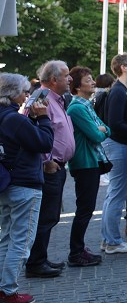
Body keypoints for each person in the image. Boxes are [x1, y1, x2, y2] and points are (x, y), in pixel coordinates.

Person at [0, 74, 54, 303]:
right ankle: (7, 291)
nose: (26, 97)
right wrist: (42, 118)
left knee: (6, 238)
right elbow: (44, 143)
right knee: (21, 241)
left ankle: (3, 287)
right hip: (24, 183)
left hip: (7, 182)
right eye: (23, 92)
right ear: (12, 94)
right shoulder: (14, 119)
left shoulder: (8, 116)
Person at [22, 61, 73, 279]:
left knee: (50, 216)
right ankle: (35, 262)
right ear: (53, 79)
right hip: (49, 168)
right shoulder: (41, 99)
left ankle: (39, 258)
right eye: (66, 75)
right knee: (45, 216)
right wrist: (46, 161)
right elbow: (29, 131)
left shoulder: (56, 99)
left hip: (58, 167)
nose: (70, 79)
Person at [64, 66, 109, 267]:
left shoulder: (86, 105)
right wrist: (101, 129)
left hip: (91, 161)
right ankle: (76, 252)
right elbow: (98, 134)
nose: (93, 82)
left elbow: (106, 128)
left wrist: (102, 129)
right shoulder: (77, 108)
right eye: (89, 79)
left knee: (87, 208)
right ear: (77, 86)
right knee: (85, 209)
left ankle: (79, 249)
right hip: (84, 162)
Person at [100, 53, 127, 254]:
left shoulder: (123, 90)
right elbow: (114, 123)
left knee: (115, 194)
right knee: (117, 194)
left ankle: (109, 239)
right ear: (123, 68)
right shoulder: (118, 91)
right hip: (118, 145)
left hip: (120, 145)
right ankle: (113, 241)